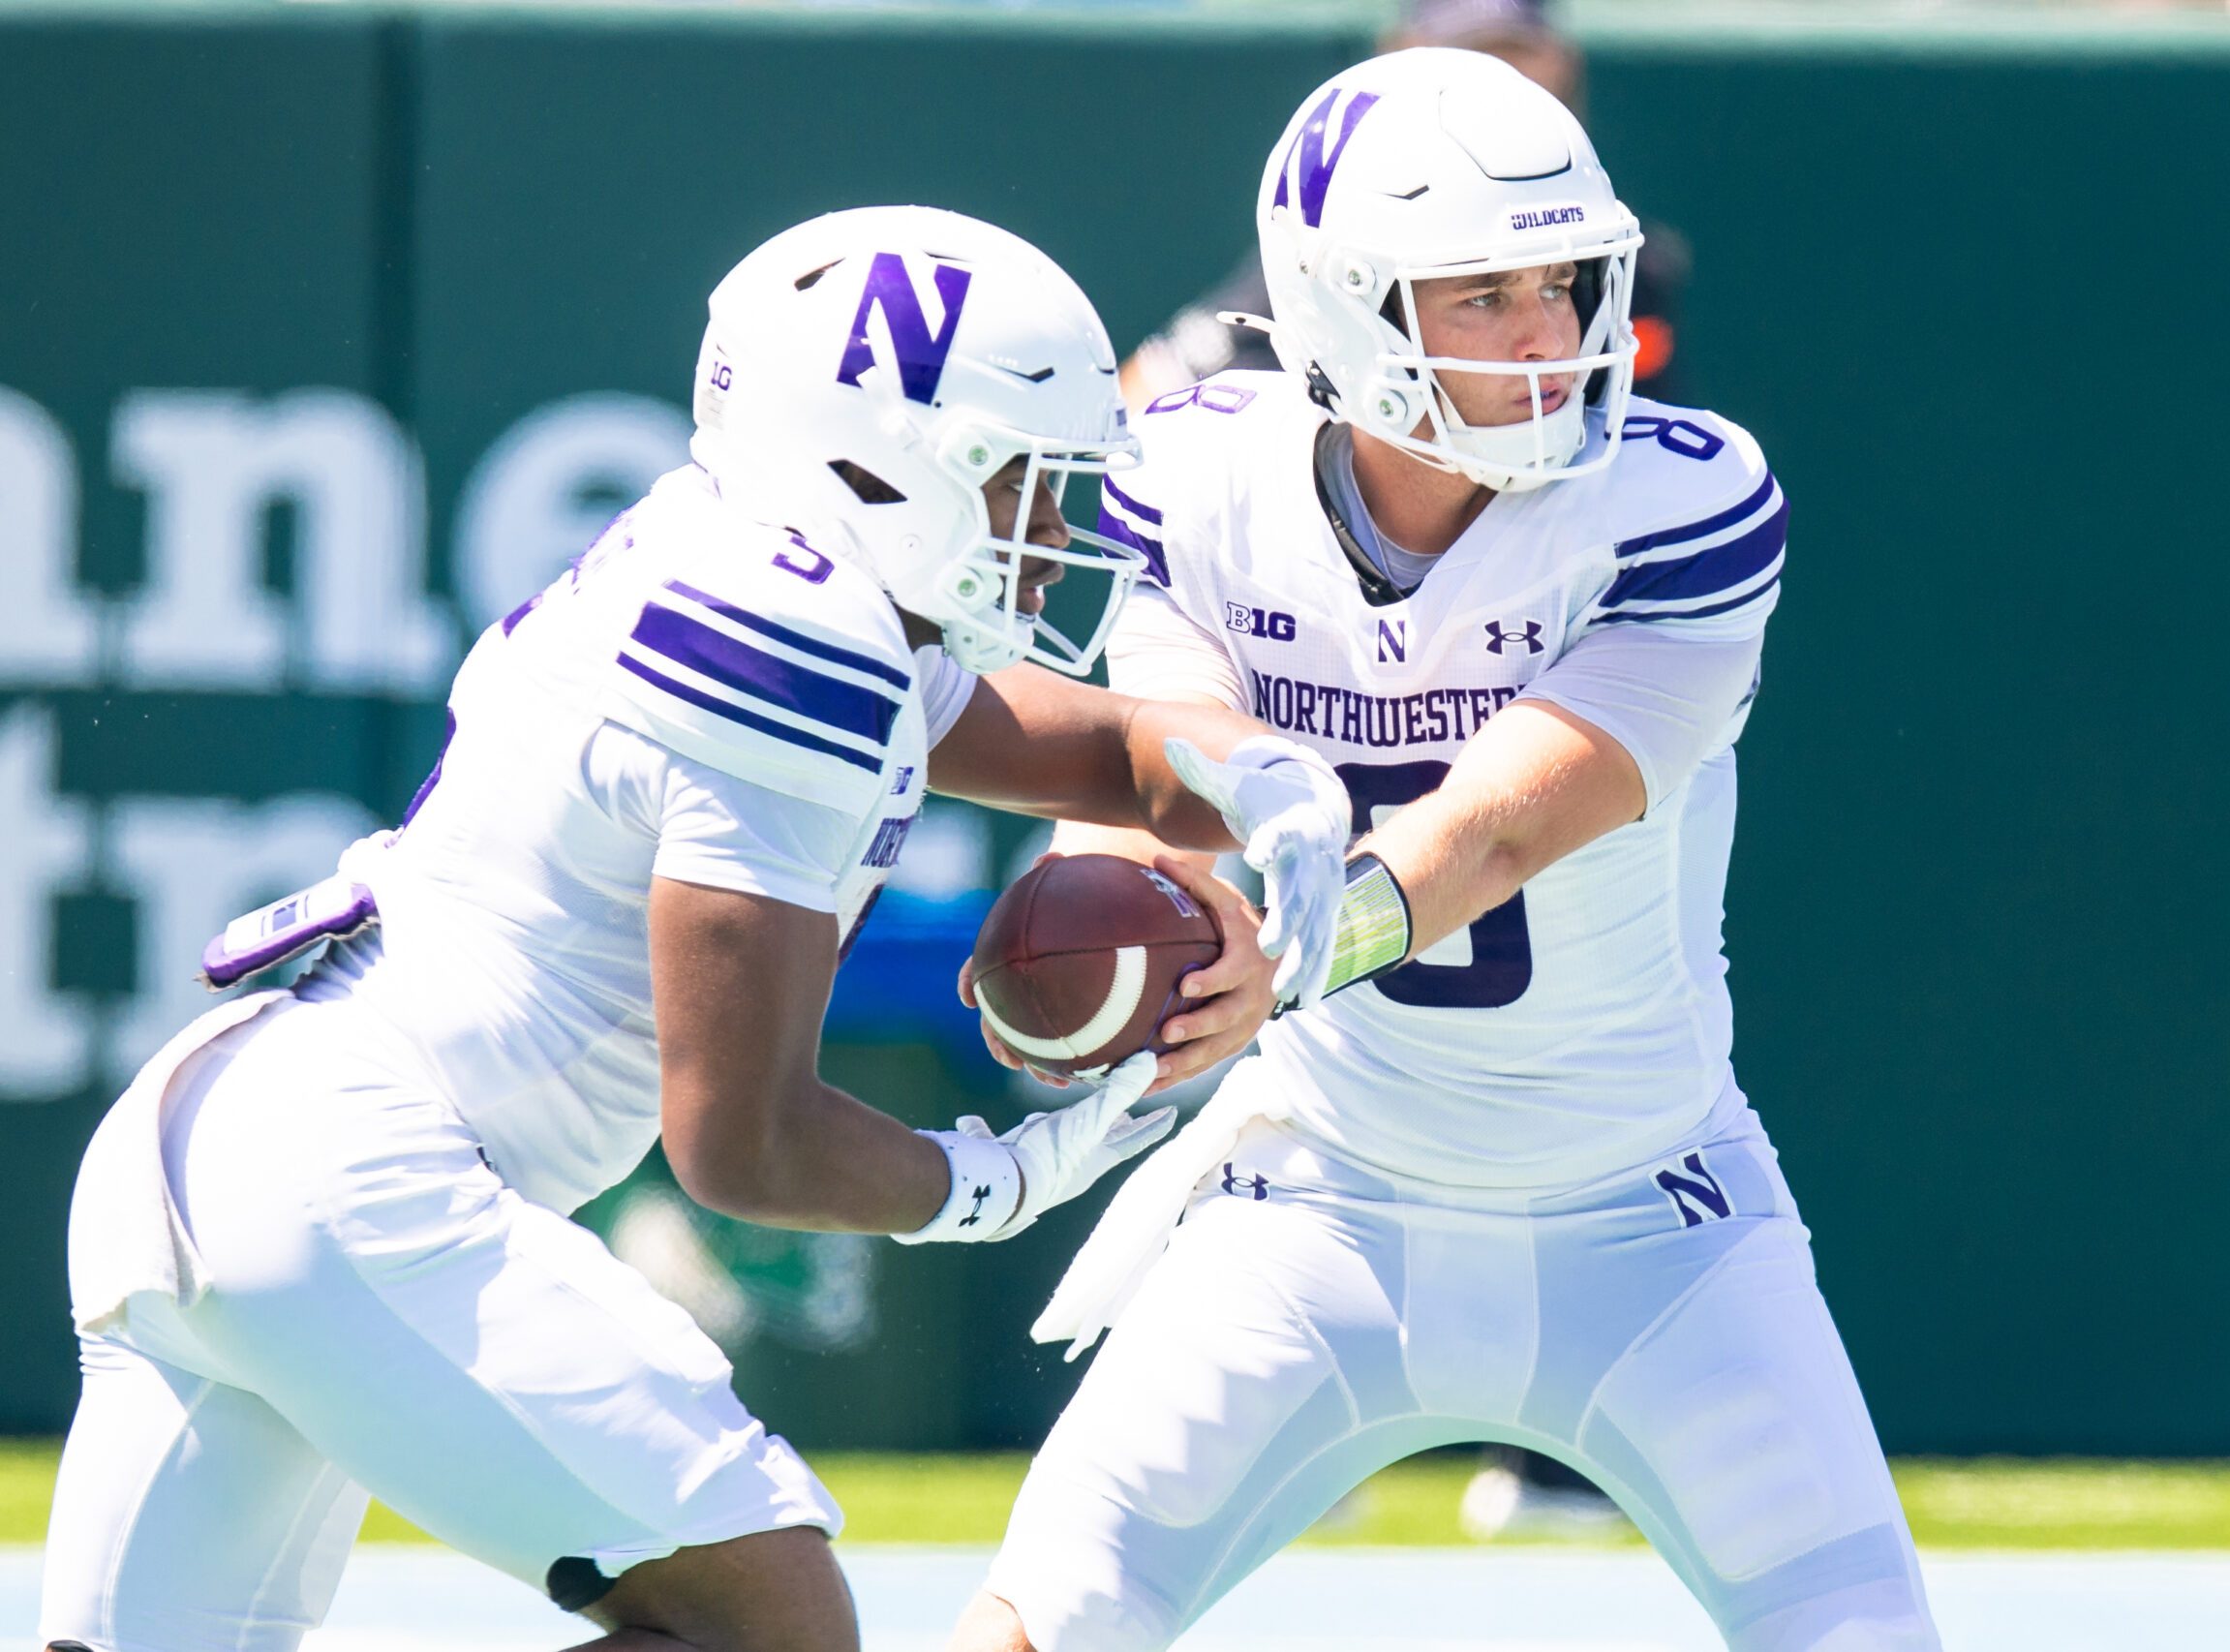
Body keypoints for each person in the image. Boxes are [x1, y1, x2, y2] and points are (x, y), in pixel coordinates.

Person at [38, 206, 1352, 1652]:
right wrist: (995, 1181)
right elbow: (743, 1143)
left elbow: (1075, 746)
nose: (1053, 533)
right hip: (355, 1168)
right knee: (770, 1624)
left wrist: (1248, 768)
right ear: (875, 464)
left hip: (220, 1125)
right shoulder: (800, 640)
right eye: (1015, 482)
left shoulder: (762, 565)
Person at [948, 52, 1940, 1652]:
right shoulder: (1201, 471)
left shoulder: (1679, 500)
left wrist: (1280, 960)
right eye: (1485, 293)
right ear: (1343, 309)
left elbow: (1501, 825)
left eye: (1563, 283)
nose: (1550, 333)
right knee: (1039, 1622)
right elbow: (1167, 768)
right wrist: (1122, 927)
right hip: (1313, 1204)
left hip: (1657, 1219)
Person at [1117, 0, 1693, 413]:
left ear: (1563, 63)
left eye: (1558, 286)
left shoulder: (1627, 255)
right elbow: (1145, 391)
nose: (1495, 80)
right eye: (1483, 294)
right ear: (1400, 56)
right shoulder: (1347, 247)